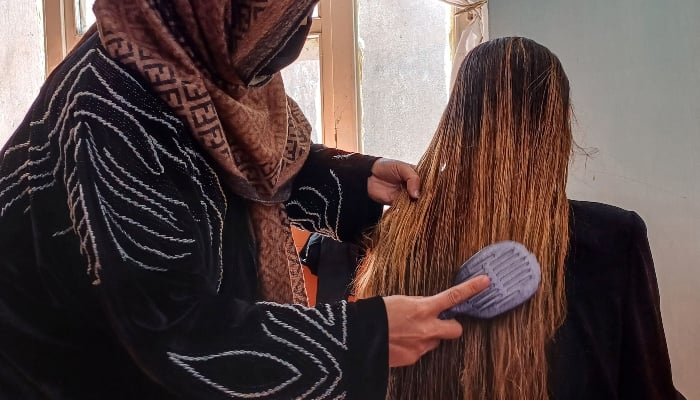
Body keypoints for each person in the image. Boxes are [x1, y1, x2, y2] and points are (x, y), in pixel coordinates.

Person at [0, 1, 492, 399]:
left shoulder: (206, 59)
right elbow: (174, 334)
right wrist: (363, 338)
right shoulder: (109, 109)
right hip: (69, 375)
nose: (296, 27)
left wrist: (356, 179)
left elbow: (250, 168)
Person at [356, 37, 684, 399]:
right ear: (558, 127)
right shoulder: (613, 239)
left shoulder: (399, 235)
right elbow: (648, 389)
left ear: (455, 119)